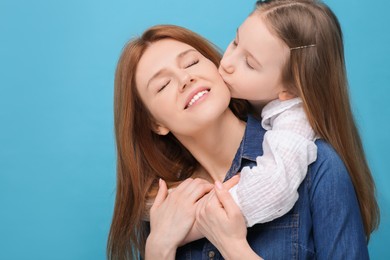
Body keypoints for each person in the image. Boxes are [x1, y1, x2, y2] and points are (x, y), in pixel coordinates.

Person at [107, 1, 379, 259]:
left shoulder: (317, 166)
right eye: (163, 85)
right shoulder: (164, 210)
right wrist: (159, 249)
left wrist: (235, 249)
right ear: (156, 124)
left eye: (191, 63)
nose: (185, 78)